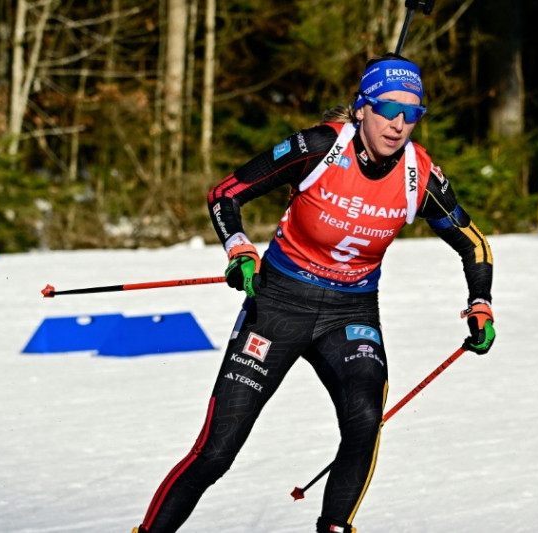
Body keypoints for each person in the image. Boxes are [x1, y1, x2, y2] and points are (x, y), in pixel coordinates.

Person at [132, 53, 495, 533]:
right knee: (217, 450)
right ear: (362, 108)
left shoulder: (419, 175)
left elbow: (473, 243)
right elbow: (226, 193)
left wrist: (480, 303)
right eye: (388, 109)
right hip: (279, 303)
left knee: (364, 422)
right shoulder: (320, 147)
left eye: (413, 113)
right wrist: (239, 249)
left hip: (350, 313)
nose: (399, 124)